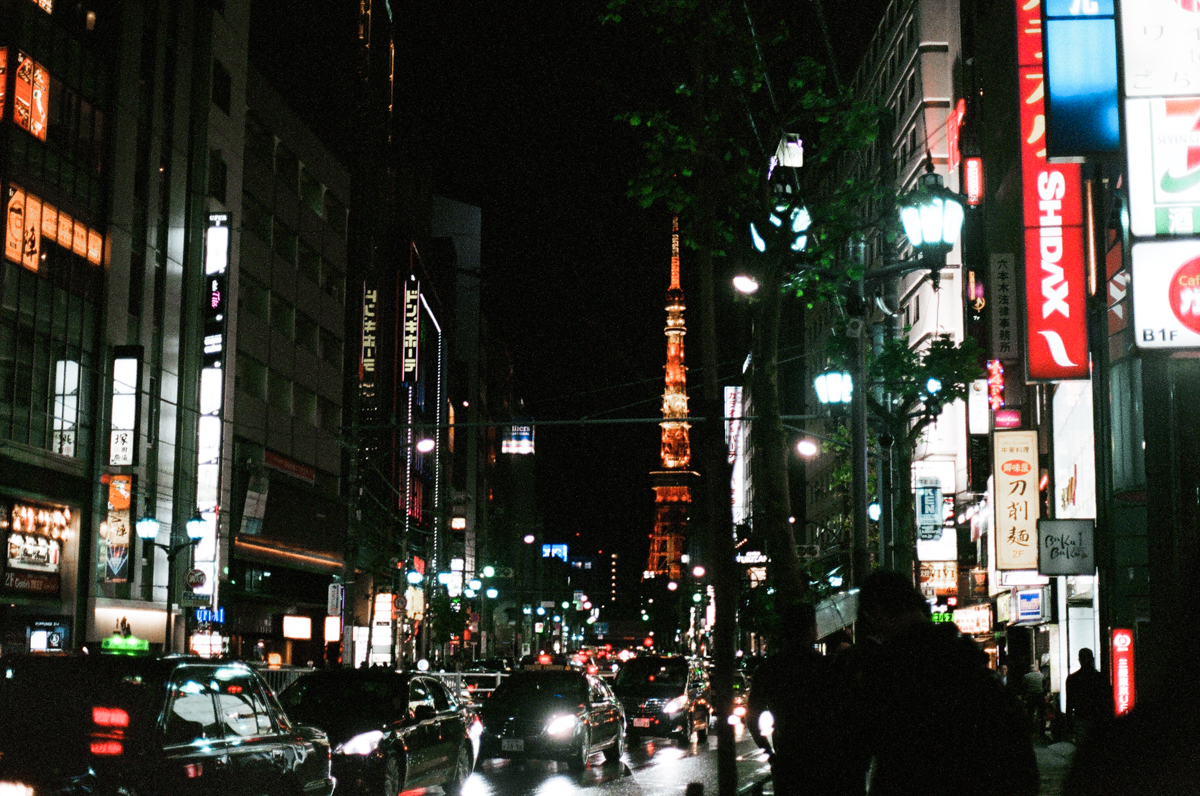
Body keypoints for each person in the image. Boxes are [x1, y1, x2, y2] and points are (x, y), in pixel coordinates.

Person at [843, 571, 1038, 796]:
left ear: (877, 614)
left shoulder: (888, 670)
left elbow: (857, 750)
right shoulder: (968, 663)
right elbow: (1019, 759)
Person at [746, 600, 843, 796]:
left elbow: (752, 716)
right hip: (824, 759)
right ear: (811, 630)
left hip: (787, 758)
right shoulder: (827, 667)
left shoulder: (769, 669)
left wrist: (769, 754)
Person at [1065, 647, 1111, 744]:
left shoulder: (1073, 679)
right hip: (1098, 717)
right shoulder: (1101, 678)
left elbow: (1069, 702)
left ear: (1079, 660)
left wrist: (1069, 722)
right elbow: (1107, 699)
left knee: (1083, 746)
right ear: (1093, 659)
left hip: (1081, 716)